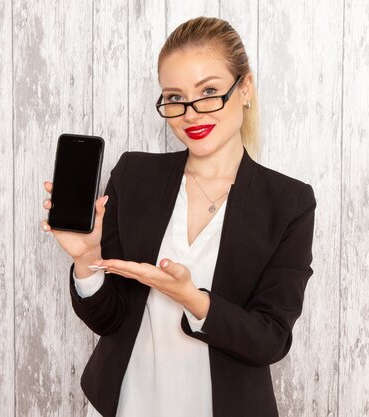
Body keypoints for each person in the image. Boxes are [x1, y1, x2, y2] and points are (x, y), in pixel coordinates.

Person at [41, 16, 316, 417]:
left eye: (209, 91)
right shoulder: (134, 175)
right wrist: (86, 261)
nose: (191, 113)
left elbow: (271, 340)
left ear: (246, 88)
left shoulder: (288, 201)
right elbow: (110, 318)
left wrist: (193, 299)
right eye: (174, 97)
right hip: (127, 403)